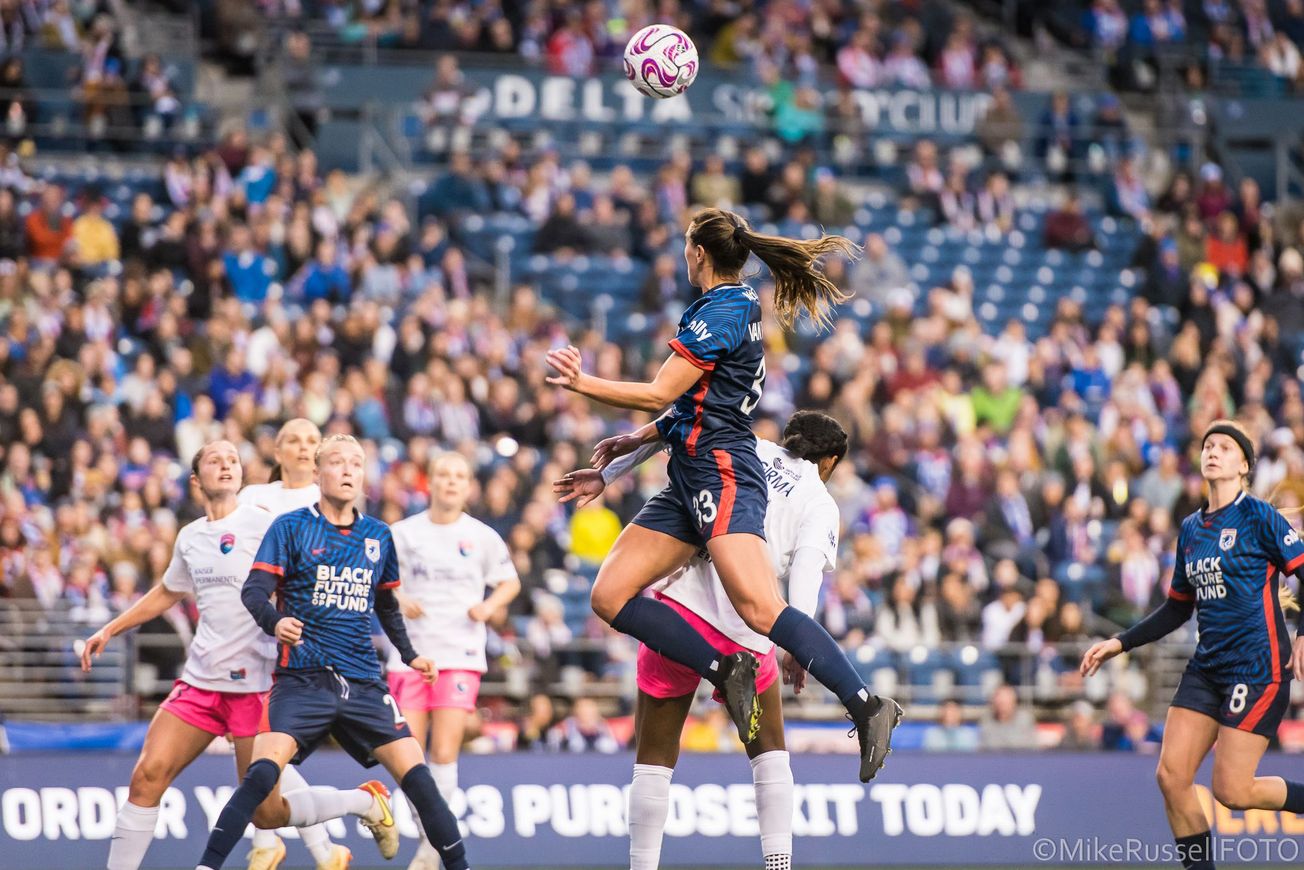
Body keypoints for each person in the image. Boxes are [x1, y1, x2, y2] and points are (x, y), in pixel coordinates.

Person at [544, 207, 901, 783]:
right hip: (690, 473)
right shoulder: (731, 305)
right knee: (609, 594)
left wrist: (583, 384)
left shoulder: (726, 308)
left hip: (721, 473)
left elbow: (660, 392)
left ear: (699, 253)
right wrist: (617, 462)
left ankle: (867, 706)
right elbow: (691, 406)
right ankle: (726, 667)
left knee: (761, 608)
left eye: (686, 246)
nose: (683, 254)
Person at [555, 410, 847, 870]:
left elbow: (672, 427)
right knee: (769, 754)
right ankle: (778, 863)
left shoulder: (747, 448)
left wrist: (609, 474)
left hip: (678, 618)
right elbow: (806, 576)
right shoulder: (820, 502)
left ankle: (643, 865)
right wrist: (796, 644)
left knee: (653, 758)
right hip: (747, 633)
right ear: (830, 462)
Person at [194, 435, 469, 870]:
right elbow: (254, 592)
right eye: (337, 462)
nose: (346, 470)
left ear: (363, 475)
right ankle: (207, 866)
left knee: (420, 780)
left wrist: (411, 655)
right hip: (301, 679)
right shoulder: (291, 527)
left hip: (363, 682)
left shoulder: (378, 535)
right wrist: (275, 622)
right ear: (318, 474)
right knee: (261, 778)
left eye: (355, 464)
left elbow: (386, 605)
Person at [80, 441, 349, 870]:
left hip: (256, 687)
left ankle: (360, 802)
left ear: (242, 476)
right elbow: (169, 590)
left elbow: (308, 582)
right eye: (214, 461)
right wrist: (110, 629)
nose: (226, 466)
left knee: (266, 811)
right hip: (201, 682)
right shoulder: (190, 537)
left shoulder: (268, 527)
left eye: (233, 461)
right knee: (147, 778)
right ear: (195, 480)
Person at [1081, 419, 1304, 870]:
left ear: (1244, 465)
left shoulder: (1259, 516)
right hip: (1207, 667)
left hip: (1257, 668)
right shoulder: (1191, 528)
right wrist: (1120, 643)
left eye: (1224, 446)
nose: (1213, 451)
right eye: (1207, 445)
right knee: (1170, 776)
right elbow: (1177, 608)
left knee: (1232, 791)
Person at [389, 452, 521, 870]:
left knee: (444, 753)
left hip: (460, 655)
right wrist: (397, 598)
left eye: (459, 476)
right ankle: (431, 836)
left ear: (468, 486)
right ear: (431, 482)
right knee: (407, 756)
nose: (450, 482)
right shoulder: (403, 533)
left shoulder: (481, 536)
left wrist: (487, 607)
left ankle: (431, 849)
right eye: (443, 475)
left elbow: (509, 581)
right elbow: (377, 582)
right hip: (409, 656)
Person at [237, 417, 323, 515]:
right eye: (293, 440)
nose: (304, 447)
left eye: (312, 441)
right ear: (278, 453)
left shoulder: (329, 502)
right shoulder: (251, 495)